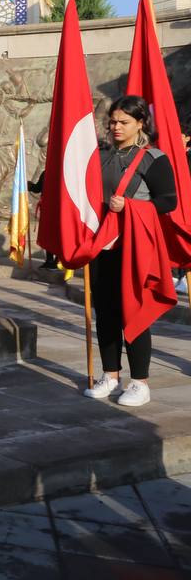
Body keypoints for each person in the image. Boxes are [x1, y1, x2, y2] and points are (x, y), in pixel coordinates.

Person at [83, 96, 177, 408]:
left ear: (140, 123)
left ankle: (140, 382)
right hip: (103, 245)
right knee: (106, 312)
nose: (116, 127)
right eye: (112, 122)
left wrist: (132, 206)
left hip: (135, 246)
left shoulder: (154, 158)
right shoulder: (102, 156)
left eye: (123, 122)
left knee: (133, 311)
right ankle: (110, 376)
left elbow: (168, 201)